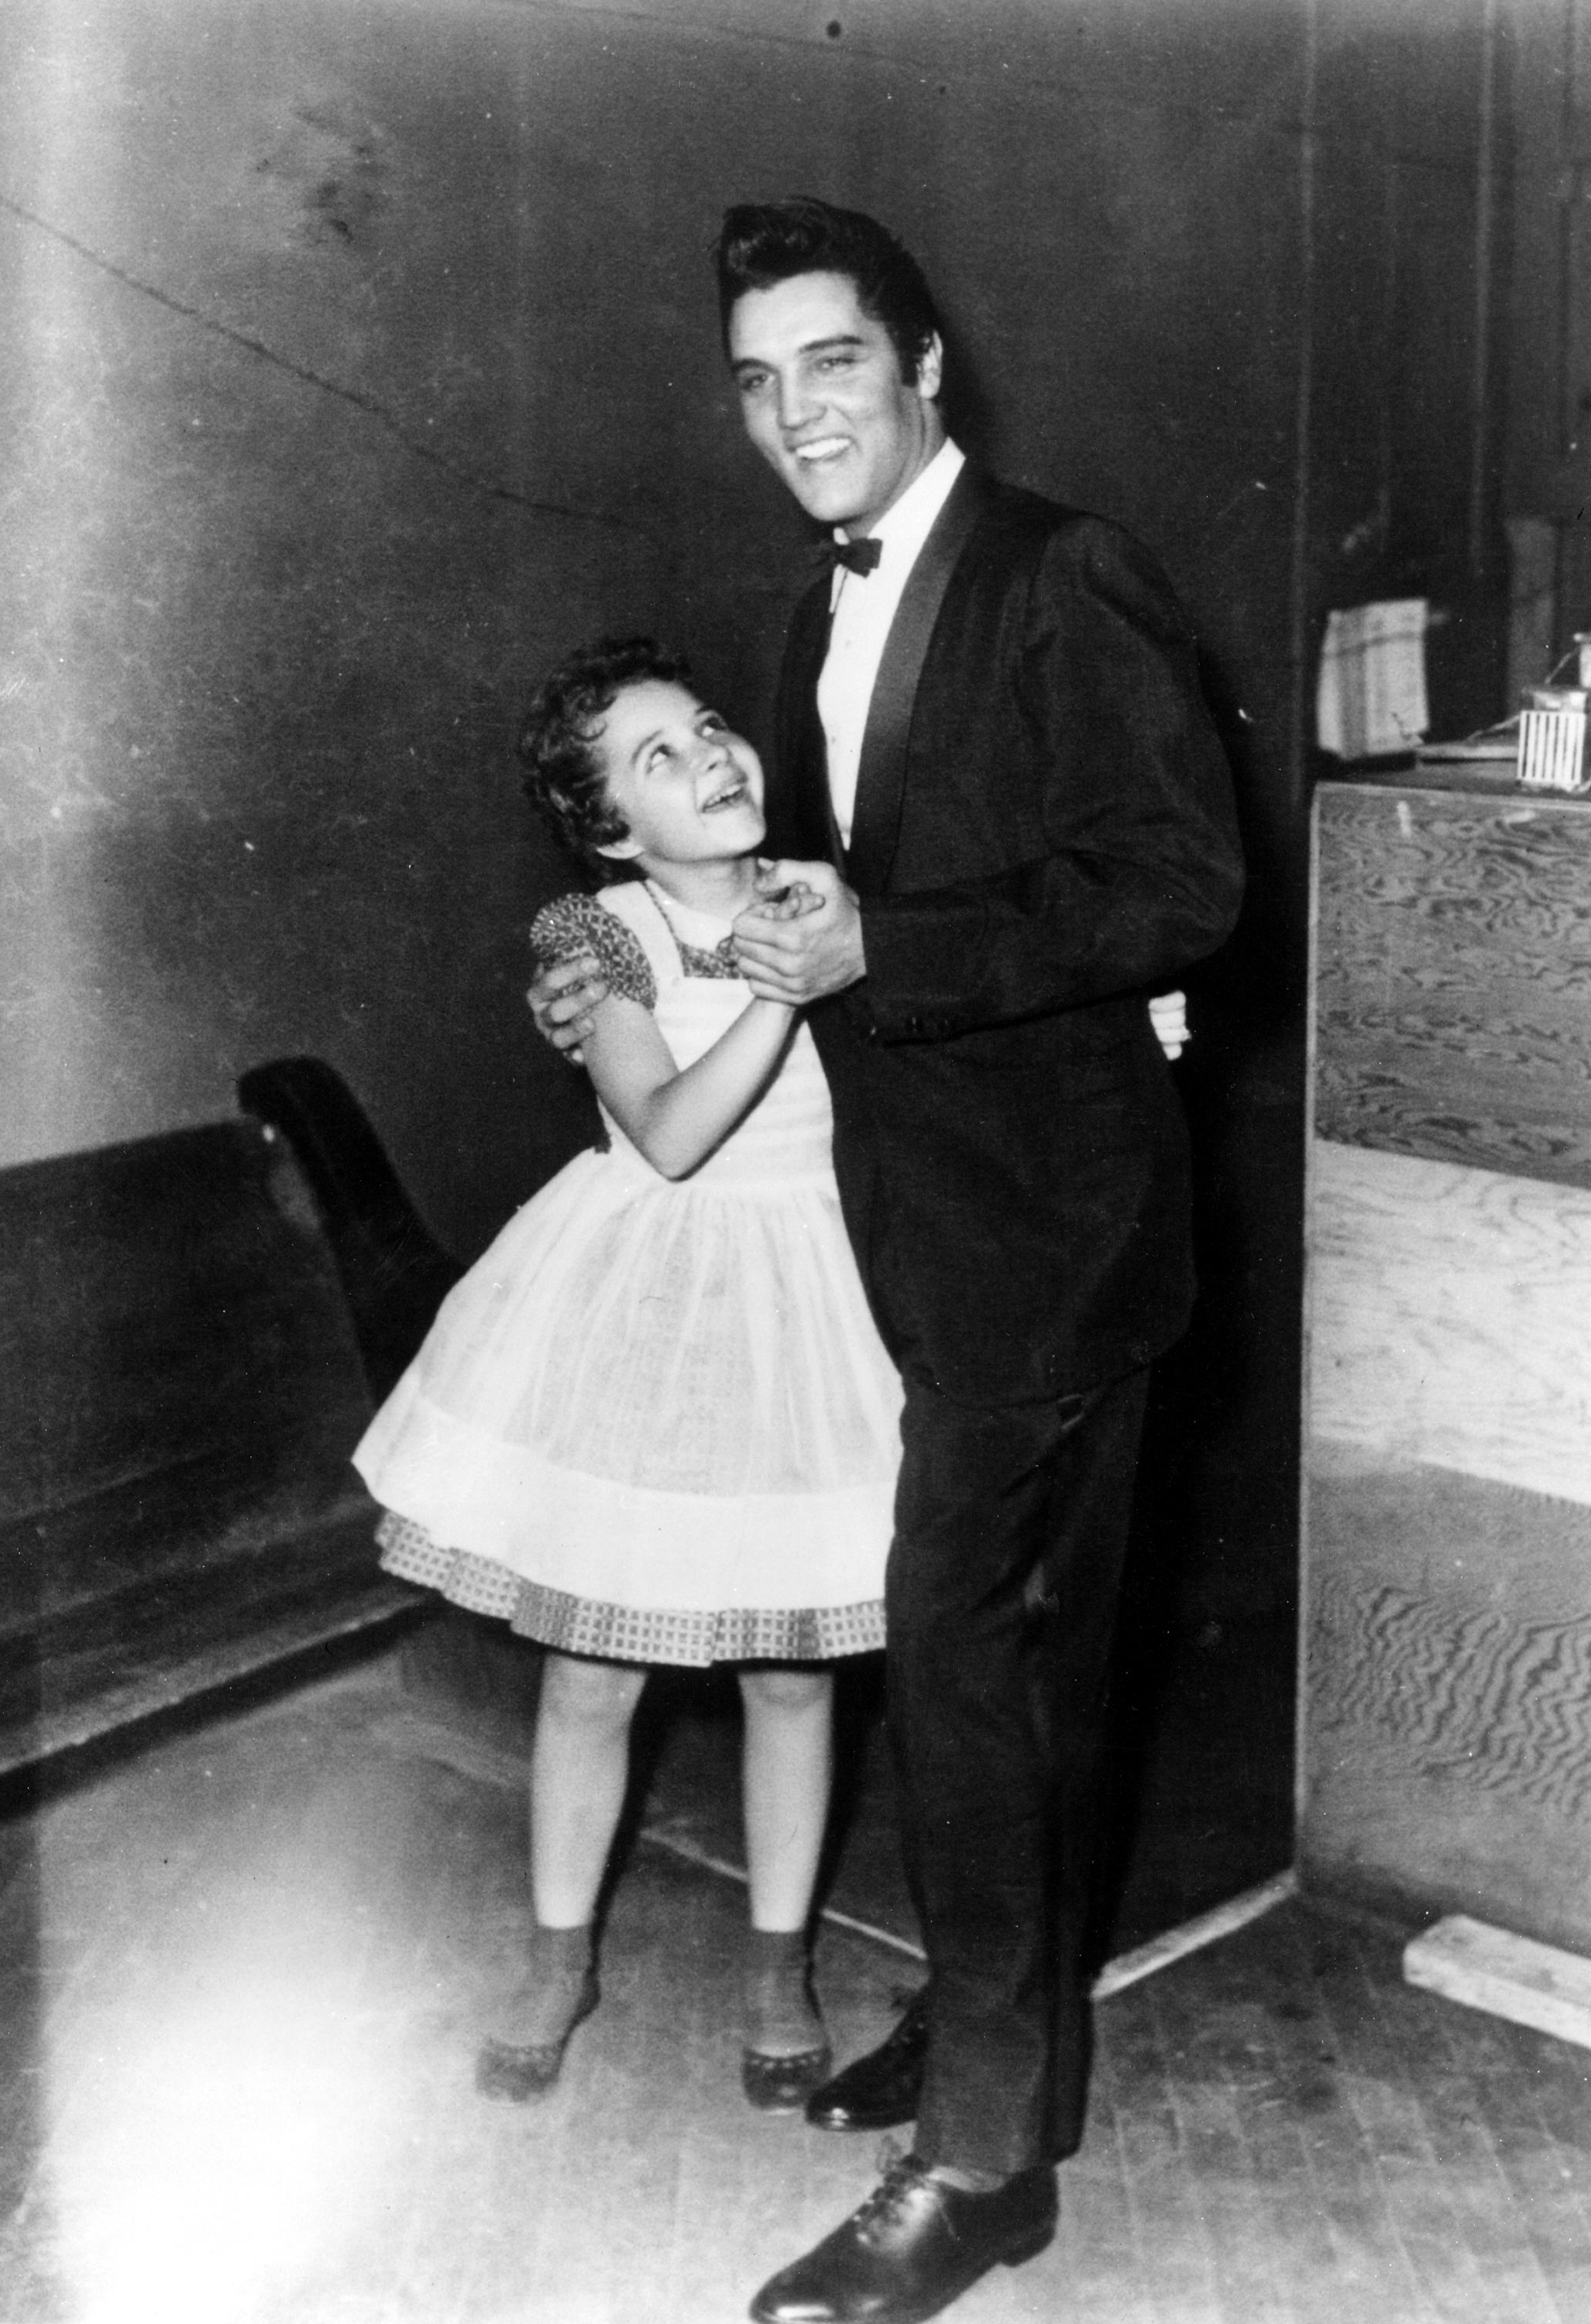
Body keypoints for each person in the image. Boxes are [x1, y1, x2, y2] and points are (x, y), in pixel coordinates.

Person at [531, 198, 1244, 2324]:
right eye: (758, 382)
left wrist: (895, 949)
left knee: (967, 1659)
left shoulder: (1059, 567)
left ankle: (988, 2166)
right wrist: (618, 946)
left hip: (1056, 1240)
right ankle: (998, 2034)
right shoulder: (800, 621)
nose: (794, 413)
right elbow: (795, 883)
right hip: (915, 1237)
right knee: (1009, 1672)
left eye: (832, 362)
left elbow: (1187, 881)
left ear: (926, 368)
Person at [354, 635, 905, 2115]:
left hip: (821, 1301)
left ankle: (779, 1962)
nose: (713, 757)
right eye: (659, 757)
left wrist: (835, 948)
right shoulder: (592, 936)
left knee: (797, 1669)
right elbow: (664, 1130)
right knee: (593, 1666)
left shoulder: (834, 889)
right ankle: (557, 1952)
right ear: (613, 830)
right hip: (648, 1304)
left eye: (713, 726)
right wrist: (786, 993)